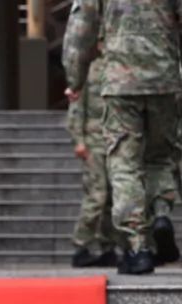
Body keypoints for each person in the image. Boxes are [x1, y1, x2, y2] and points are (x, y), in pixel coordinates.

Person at [64, 0, 182, 274]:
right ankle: (161, 214)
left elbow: (81, 30)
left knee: (124, 163)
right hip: (164, 80)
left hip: (120, 83)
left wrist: (75, 79)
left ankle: (137, 247)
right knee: (161, 156)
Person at [67, 46, 126, 267]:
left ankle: (108, 246)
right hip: (93, 141)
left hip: (117, 141)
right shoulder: (87, 71)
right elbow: (76, 108)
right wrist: (78, 140)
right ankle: (80, 244)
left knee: (112, 198)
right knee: (97, 196)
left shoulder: (122, 70)